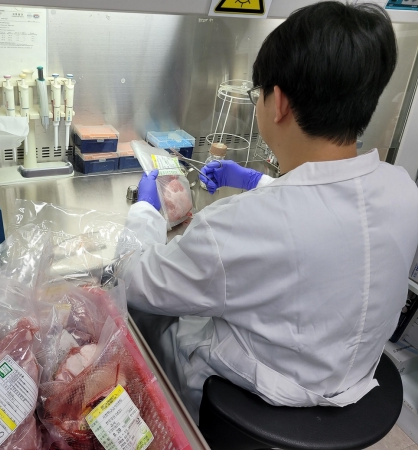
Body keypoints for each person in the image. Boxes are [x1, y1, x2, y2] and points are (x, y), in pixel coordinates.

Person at [125, 1, 418, 424]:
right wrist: (257, 181)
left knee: (147, 318)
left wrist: (145, 212)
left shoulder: (237, 225)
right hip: (352, 374)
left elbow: (136, 282)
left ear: (277, 102)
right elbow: (327, 215)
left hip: (255, 394)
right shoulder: (403, 190)